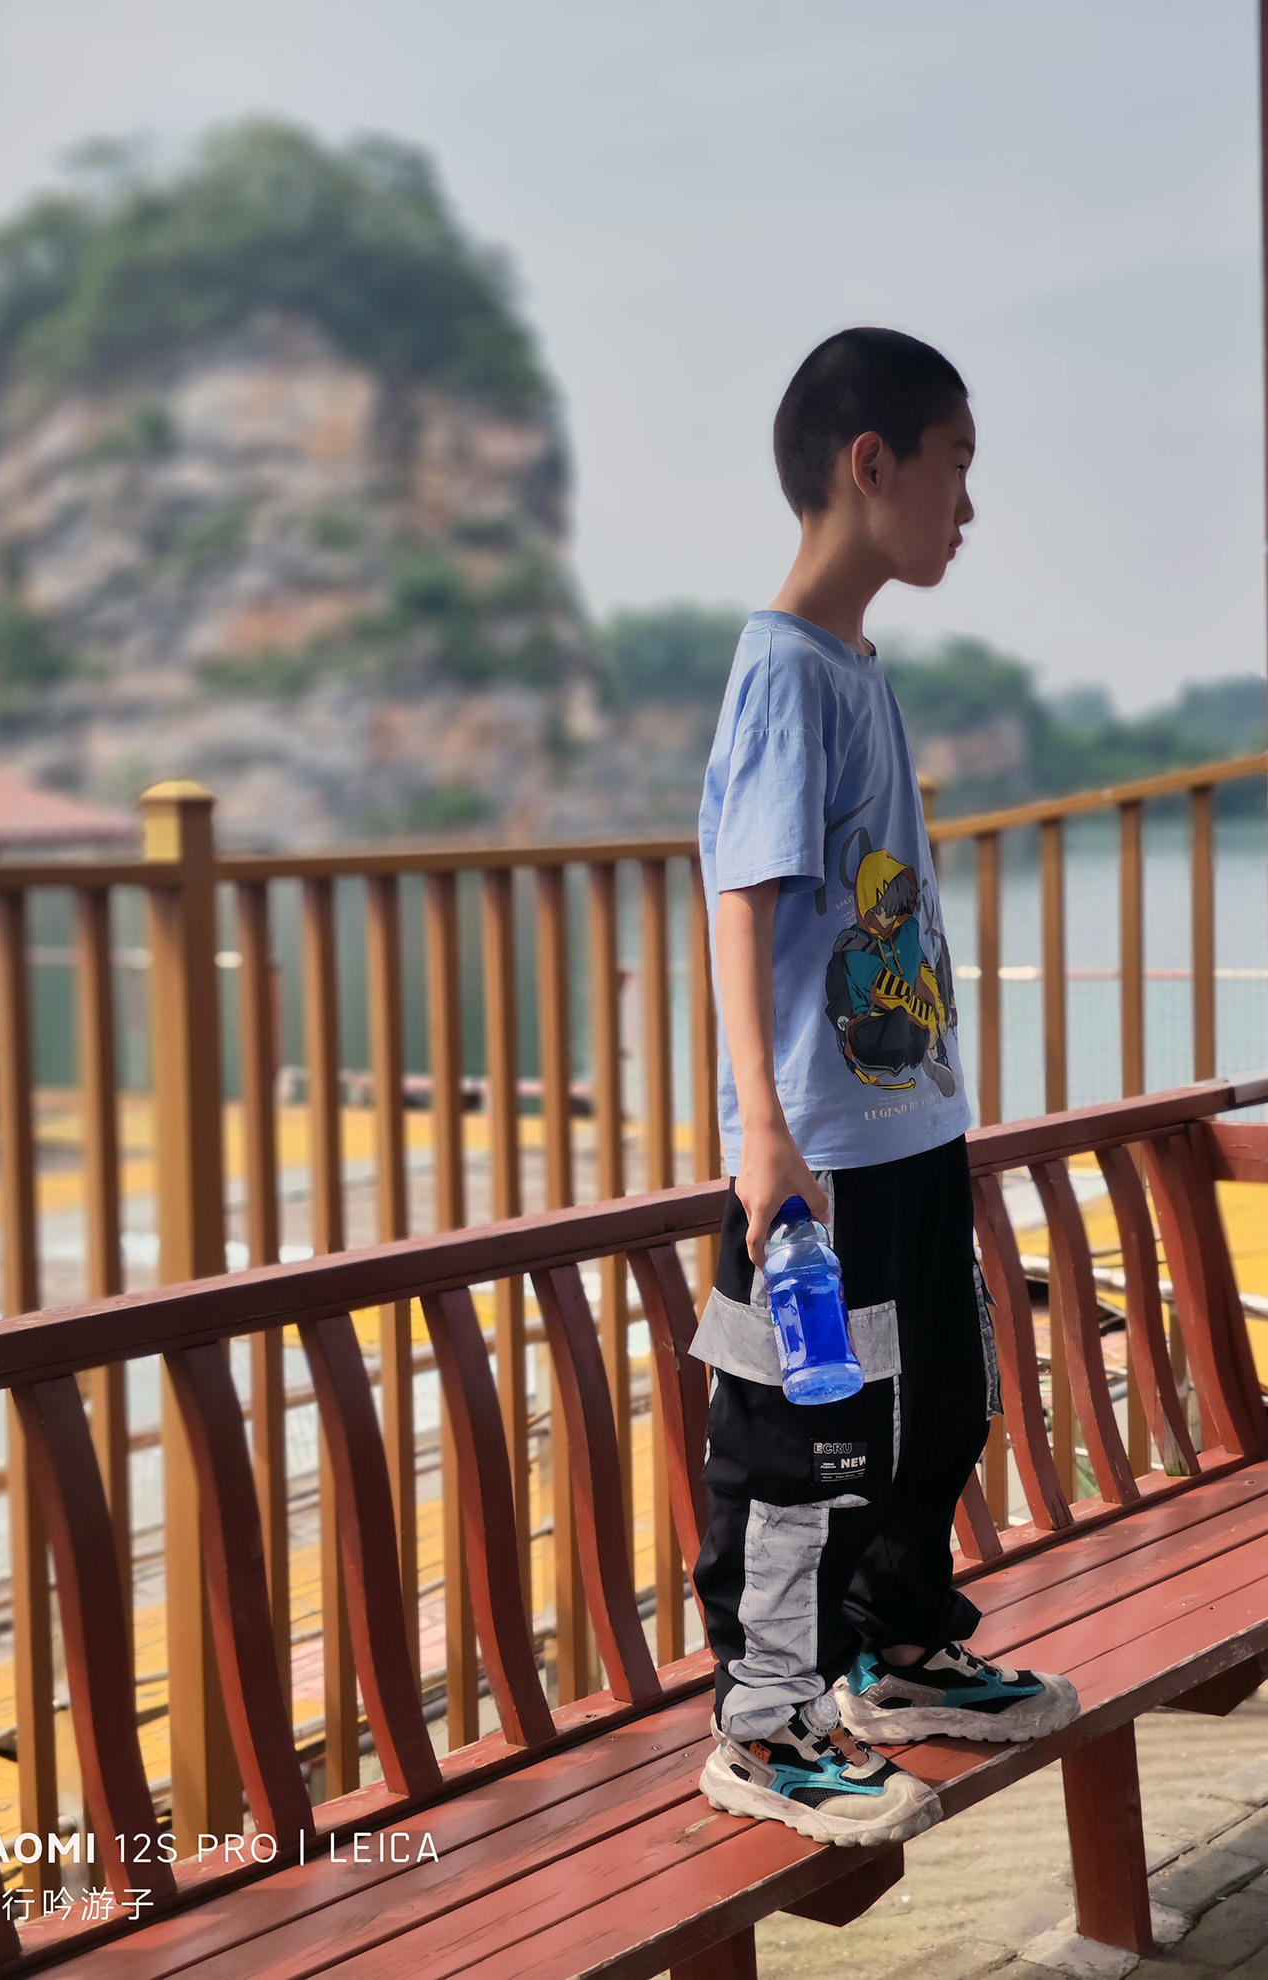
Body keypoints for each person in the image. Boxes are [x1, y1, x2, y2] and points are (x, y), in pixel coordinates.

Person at [693, 327, 1079, 1847]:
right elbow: (742, 899)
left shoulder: (855, 665)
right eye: (954, 466)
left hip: (908, 1127)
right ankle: (762, 1725)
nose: (968, 507)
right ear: (873, 464)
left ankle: (900, 1653)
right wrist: (764, 1133)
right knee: (801, 1447)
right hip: (819, 1161)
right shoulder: (784, 667)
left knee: (938, 1413)